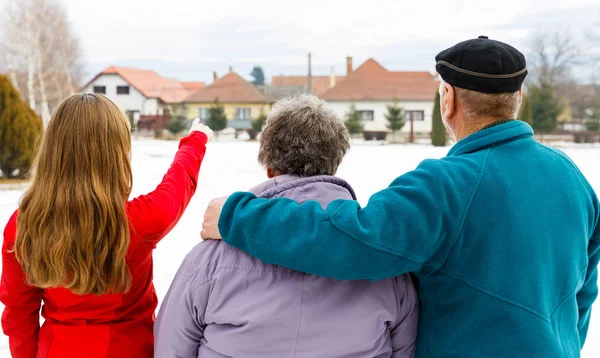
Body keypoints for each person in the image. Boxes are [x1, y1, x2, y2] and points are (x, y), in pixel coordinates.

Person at [201, 37, 600, 357]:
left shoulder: (447, 184)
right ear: (518, 97)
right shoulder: (571, 177)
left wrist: (236, 215)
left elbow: (350, 239)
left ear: (448, 98)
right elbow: (583, 289)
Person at [155, 94, 418, 358]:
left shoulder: (210, 257)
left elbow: (170, 347)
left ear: (269, 166)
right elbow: (405, 349)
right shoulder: (383, 259)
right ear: (334, 164)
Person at [0, 93, 213, 358]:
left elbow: (18, 314)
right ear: (116, 155)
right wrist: (195, 141)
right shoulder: (141, 221)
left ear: (52, 151)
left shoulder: (24, 226)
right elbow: (178, 183)